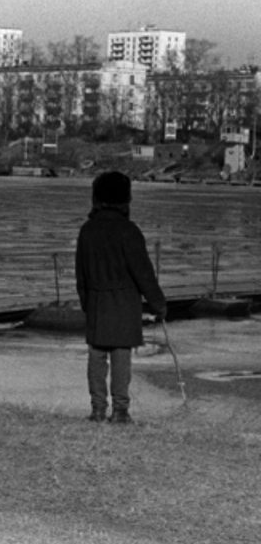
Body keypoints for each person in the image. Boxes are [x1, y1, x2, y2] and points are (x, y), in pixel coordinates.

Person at [75, 171, 166, 425]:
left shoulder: (87, 230)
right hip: (125, 304)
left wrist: (86, 303)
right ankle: (120, 411)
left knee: (96, 357)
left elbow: (80, 274)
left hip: (96, 301)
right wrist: (158, 303)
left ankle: (97, 409)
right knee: (120, 359)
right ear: (124, 198)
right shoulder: (129, 230)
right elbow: (143, 273)